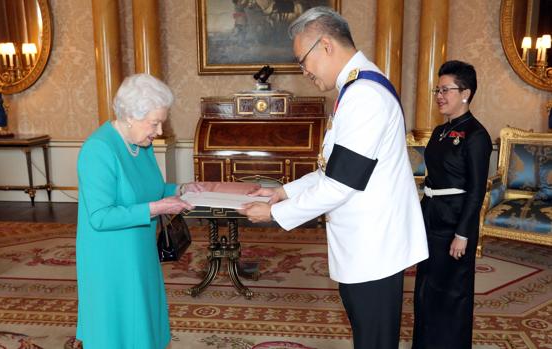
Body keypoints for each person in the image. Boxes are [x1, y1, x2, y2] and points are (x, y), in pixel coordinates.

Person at [238, 7, 428, 349]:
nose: (303, 70)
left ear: (325, 45)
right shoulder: (355, 88)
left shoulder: (364, 95)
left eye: (302, 60)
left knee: (374, 341)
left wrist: (273, 214)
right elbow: (335, 167)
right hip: (366, 244)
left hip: (374, 248)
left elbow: (341, 184)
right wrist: (285, 192)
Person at [75, 74, 203, 349]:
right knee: (118, 326)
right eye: (154, 123)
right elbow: (100, 217)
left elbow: (149, 188)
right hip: (110, 257)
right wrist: (158, 208)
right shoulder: (98, 149)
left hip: (139, 249)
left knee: (144, 318)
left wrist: (179, 189)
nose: (158, 131)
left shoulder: (139, 143)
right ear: (131, 115)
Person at [412, 61, 492, 349]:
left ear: (466, 93)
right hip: (432, 219)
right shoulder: (439, 132)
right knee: (426, 290)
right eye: (438, 89)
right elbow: (432, 180)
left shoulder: (477, 136)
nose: (439, 95)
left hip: (455, 225)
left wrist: (463, 233)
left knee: (451, 294)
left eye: (446, 90)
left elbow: (476, 190)